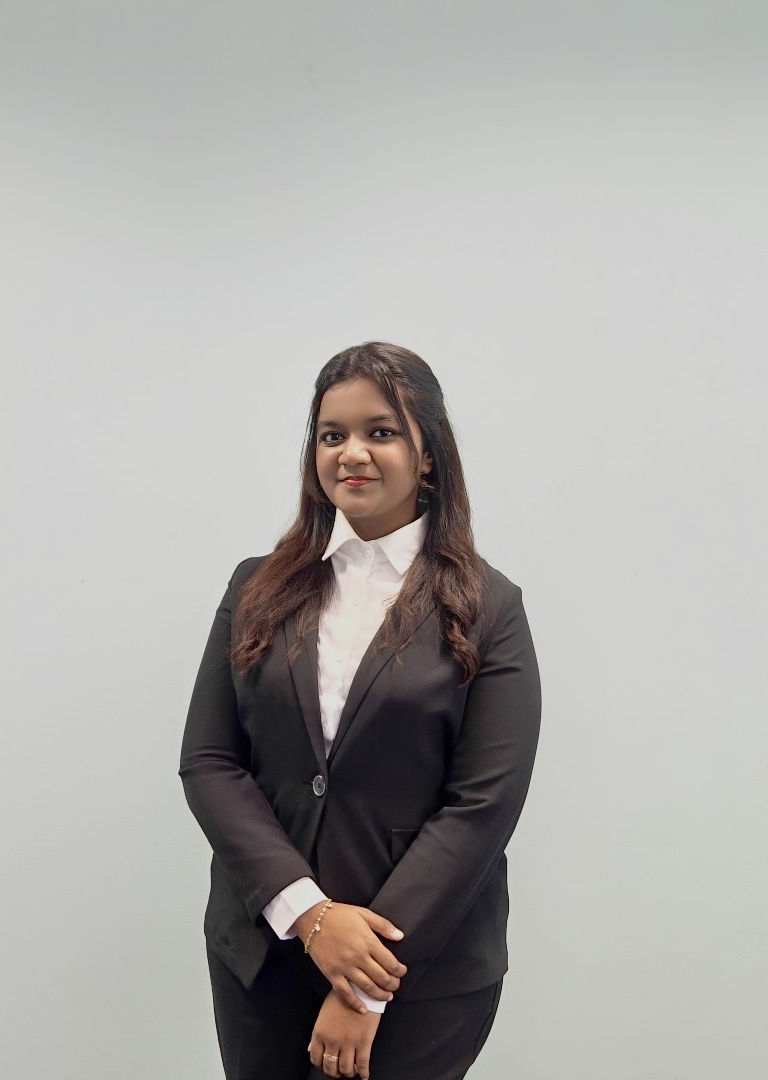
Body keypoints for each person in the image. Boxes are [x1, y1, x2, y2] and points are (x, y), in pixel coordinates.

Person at [179, 341, 542, 1080]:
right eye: (331, 434)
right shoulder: (255, 587)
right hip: (265, 953)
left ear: (427, 454)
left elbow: (482, 805)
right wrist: (309, 916)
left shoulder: (490, 607)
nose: (352, 453)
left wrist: (364, 981)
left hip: (421, 972)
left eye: (380, 431)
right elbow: (210, 761)